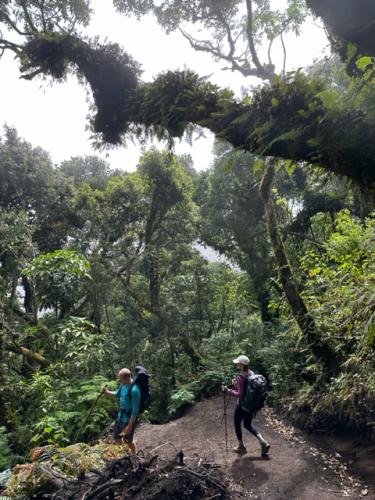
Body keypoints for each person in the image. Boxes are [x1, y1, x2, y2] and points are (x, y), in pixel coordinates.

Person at [222, 355, 270, 457]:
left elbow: (240, 394)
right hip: (251, 406)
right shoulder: (251, 373)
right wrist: (236, 384)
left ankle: (241, 447)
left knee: (237, 423)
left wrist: (228, 391)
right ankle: (263, 442)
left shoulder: (240, 377)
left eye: (238, 362)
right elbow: (246, 388)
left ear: (242, 364)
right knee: (247, 425)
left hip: (242, 406)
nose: (236, 364)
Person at [102, 368, 140, 453]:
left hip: (129, 419)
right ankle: (125, 453)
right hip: (120, 417)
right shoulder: (123, 385)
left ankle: (134, 455)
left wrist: (129, 426)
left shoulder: (134, 390)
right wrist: (107, 392)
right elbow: (117, 394)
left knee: (128, 441)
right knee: (117, 438)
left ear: (127, 378)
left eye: (121, 379)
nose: (119, 381)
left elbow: (135, 410)